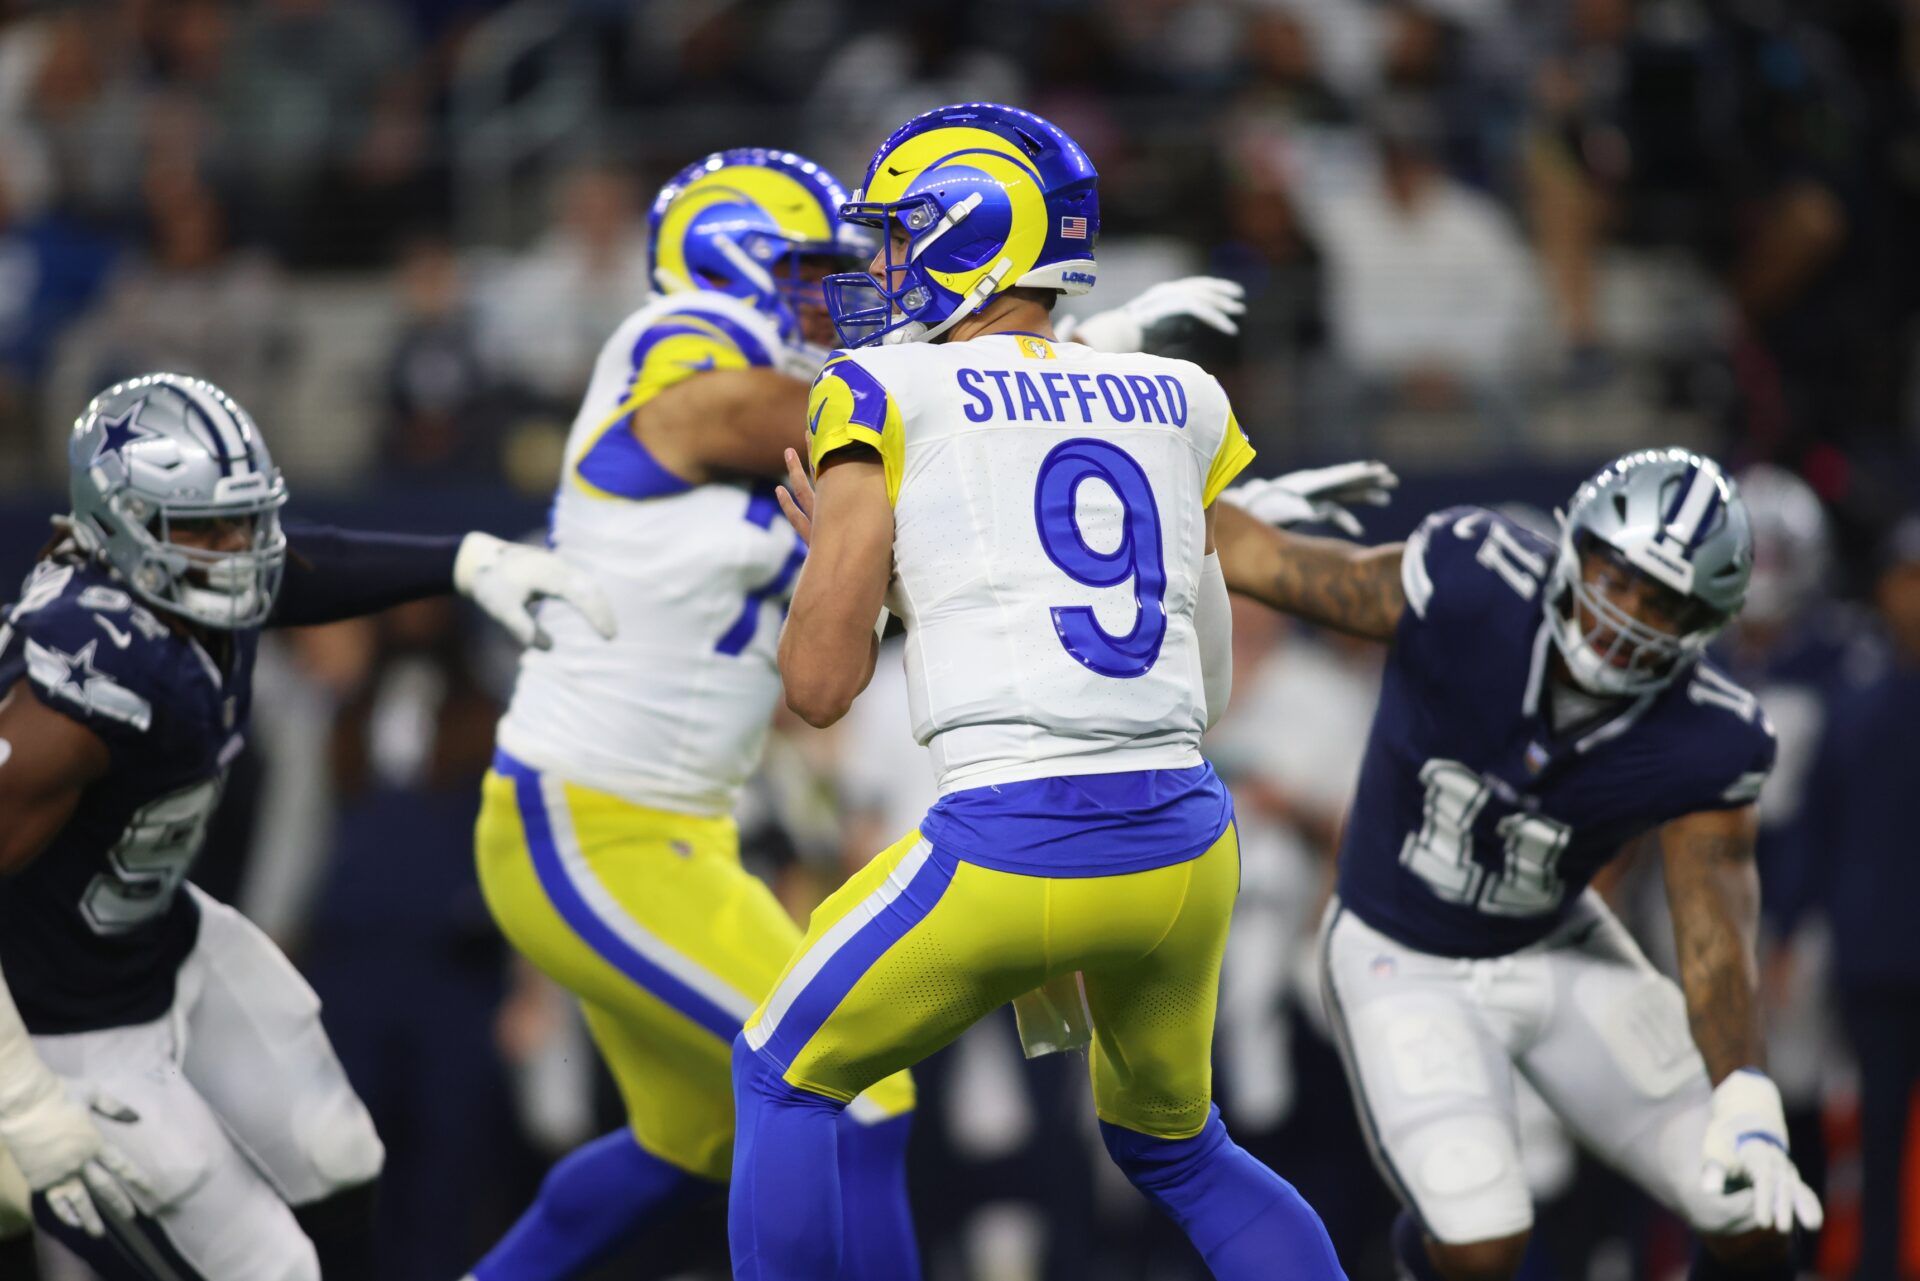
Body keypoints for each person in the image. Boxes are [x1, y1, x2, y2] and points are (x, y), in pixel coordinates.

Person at [467, 143, 1247, 1281]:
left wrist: (1041, 369)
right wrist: (1089, 351)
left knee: (684, 1144)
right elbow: (786, 412)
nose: (841, 293)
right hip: (588, 820)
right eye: (806, 270)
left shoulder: (872, 418)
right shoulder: (678, 352)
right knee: (863, 1095)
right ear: (728, 268)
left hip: (678, 833)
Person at [726, 101, 1344, 1281]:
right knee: (1178, 1149)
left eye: (906, 235)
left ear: (976, 235)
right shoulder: (1181, 396)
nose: (885, 266)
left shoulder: (881, 387)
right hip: (1186, 847)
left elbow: (815, 686)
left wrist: (856, 573)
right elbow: (1202, 682)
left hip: (1011, 843)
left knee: (781, 1075)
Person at [0, 372, 613, 1280]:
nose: (238, 550)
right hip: (67, 1025)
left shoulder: (185, 582)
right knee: (267, 1267)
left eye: (244, 520)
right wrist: (19, 1102)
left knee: (338, 1153)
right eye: (207, 529)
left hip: (164, 939)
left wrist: (465, 559)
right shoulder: (75, 691)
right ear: (121, 527)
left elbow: (298, 564)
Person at [1214, 450, 1824, 1281]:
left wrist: (1746, 1091)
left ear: (1704, 622)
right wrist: (1184, 488)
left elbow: (1714, 928)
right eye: (1616, 575)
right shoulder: (1475, 585)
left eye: (1661, 599)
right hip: (1403, 947)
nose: (1626, 613)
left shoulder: (1710, 735)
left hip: (1553, 940)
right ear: (1577, 546)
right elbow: (1261, 559)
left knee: (1748, 1206)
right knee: (1482, 1241)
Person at [1800, 514, 1920, 1281]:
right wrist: (1792, 927)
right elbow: (1817, 826)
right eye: (1908, 578)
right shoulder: (1850, 692)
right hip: (1876, 955)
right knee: (1875, 1132)